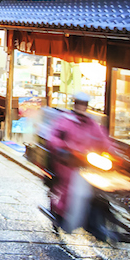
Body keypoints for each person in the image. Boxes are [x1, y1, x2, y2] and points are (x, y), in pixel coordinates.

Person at [48, 91, 112, 227]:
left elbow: (103, 140)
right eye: (79, 104)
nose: (81, 107)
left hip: (85, 163)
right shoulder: (65, 120)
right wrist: (61, 148)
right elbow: (54, 137)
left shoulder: (91, 123)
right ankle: (59, 213)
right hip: (67, 162)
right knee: (65, 188)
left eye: (84, 104)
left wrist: (113, 151)